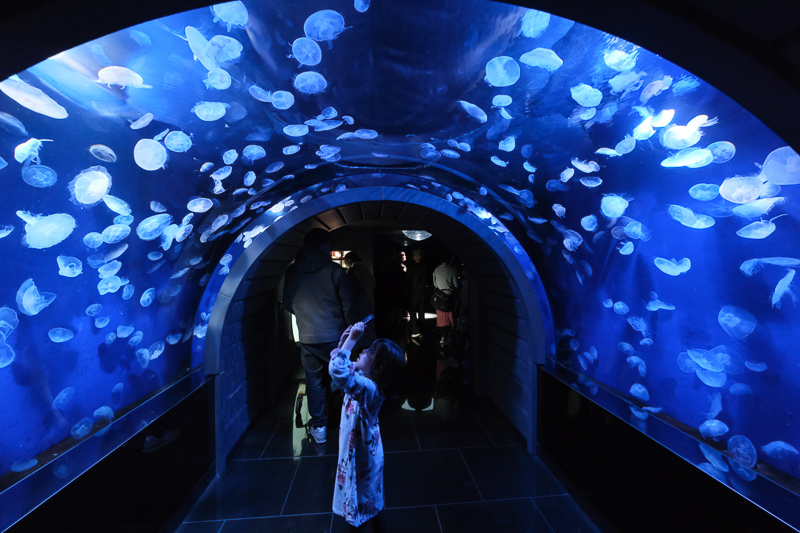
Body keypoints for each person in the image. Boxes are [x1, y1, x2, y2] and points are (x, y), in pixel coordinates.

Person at [329, 321, 407, 532]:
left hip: (362, 459)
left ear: (378, 367)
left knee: (360, 508)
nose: (363, 350)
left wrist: (352, 341)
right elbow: (342, 367)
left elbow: (338, 370)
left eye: (369, 352)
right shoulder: (366, 379)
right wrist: (345, 342)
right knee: (371, 504)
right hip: (363, 456)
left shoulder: (370, 389)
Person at [283, 228, 356, 444]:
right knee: (343, 378)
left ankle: (320, 428)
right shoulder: (334, 270)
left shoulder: (292, 272)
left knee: (314, 381)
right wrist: (351, 333)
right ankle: (349, 424)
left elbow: (288, 303)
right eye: (328, 244)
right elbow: (348, 303)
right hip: (336, 336)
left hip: (308, 338)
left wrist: (307, 318)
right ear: (322, 245)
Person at [432, 256, 459, 346]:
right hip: (450, 296)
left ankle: (442, 337)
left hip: (440, 296)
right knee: (451, 317)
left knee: (441, 318)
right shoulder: (453, 270)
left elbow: (434, 284)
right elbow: (456, 285)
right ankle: (449, 336)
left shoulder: (436, 270)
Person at [406, 249, 428, 337]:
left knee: (412, 310)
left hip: (413, 291)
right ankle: (422, 328)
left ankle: (415, 329)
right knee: (421, 310)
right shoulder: (424, 267)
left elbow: (409, 280)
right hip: (422, 291)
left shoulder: (411, 267)